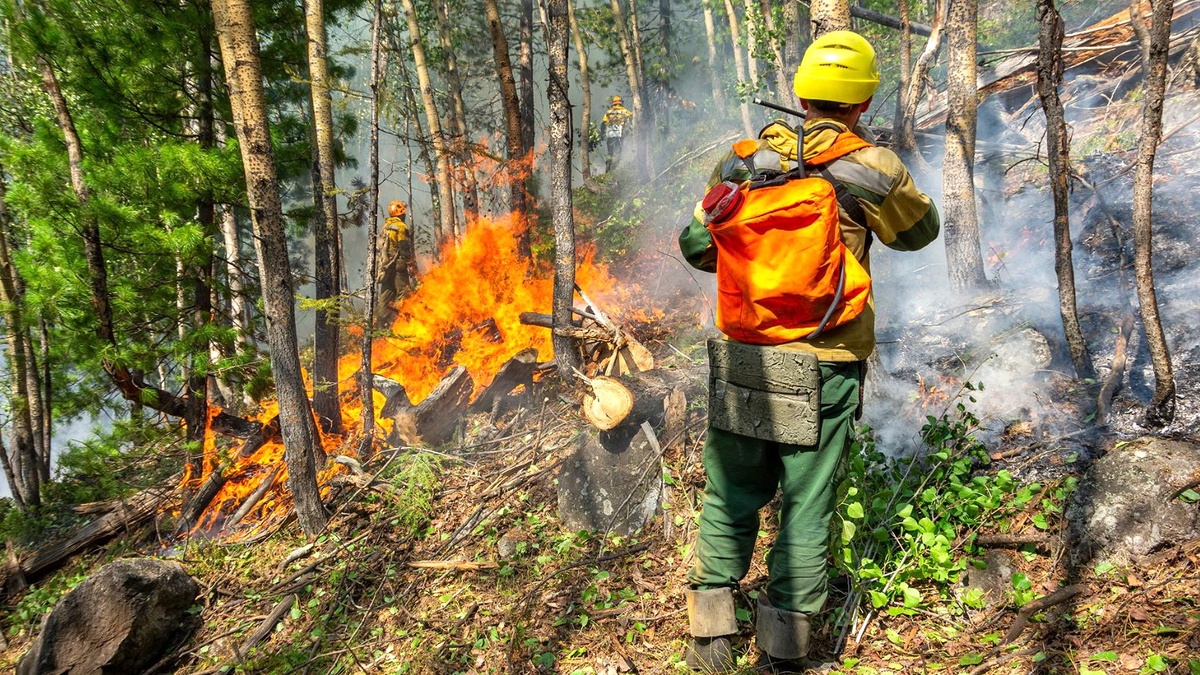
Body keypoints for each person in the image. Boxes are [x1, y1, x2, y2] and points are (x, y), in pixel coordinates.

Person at [677, 31, 940, 672]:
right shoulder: (870, 167)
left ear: (799, 92)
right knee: (804, 505)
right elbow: (920, 234)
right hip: (823, 362)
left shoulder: (741, 164)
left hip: (743, 356)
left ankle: (710, 639)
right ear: (864, 100)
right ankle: (781, 657)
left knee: (731, 491)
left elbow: (696, 248)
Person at [375, 200, 417, 328]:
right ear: (402, 213)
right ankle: (401, 324)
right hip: (398, 264)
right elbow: (404, 247)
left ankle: (380, 326)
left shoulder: (385, 226)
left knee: (386, 294)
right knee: (403, 293)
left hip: (386, 266)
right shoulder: (401, 227)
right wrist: (410, 263)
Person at [601, 95, 633, 172]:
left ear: (613, 103)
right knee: (618, 152)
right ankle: (614, 170)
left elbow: (603, 123)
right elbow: (633, 118)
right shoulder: (625, 111)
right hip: (620, 135)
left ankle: (607, 170)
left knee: (610, 153)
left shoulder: (608, 112)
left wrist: (602, 134)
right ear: (621, 103)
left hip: (610, 136)